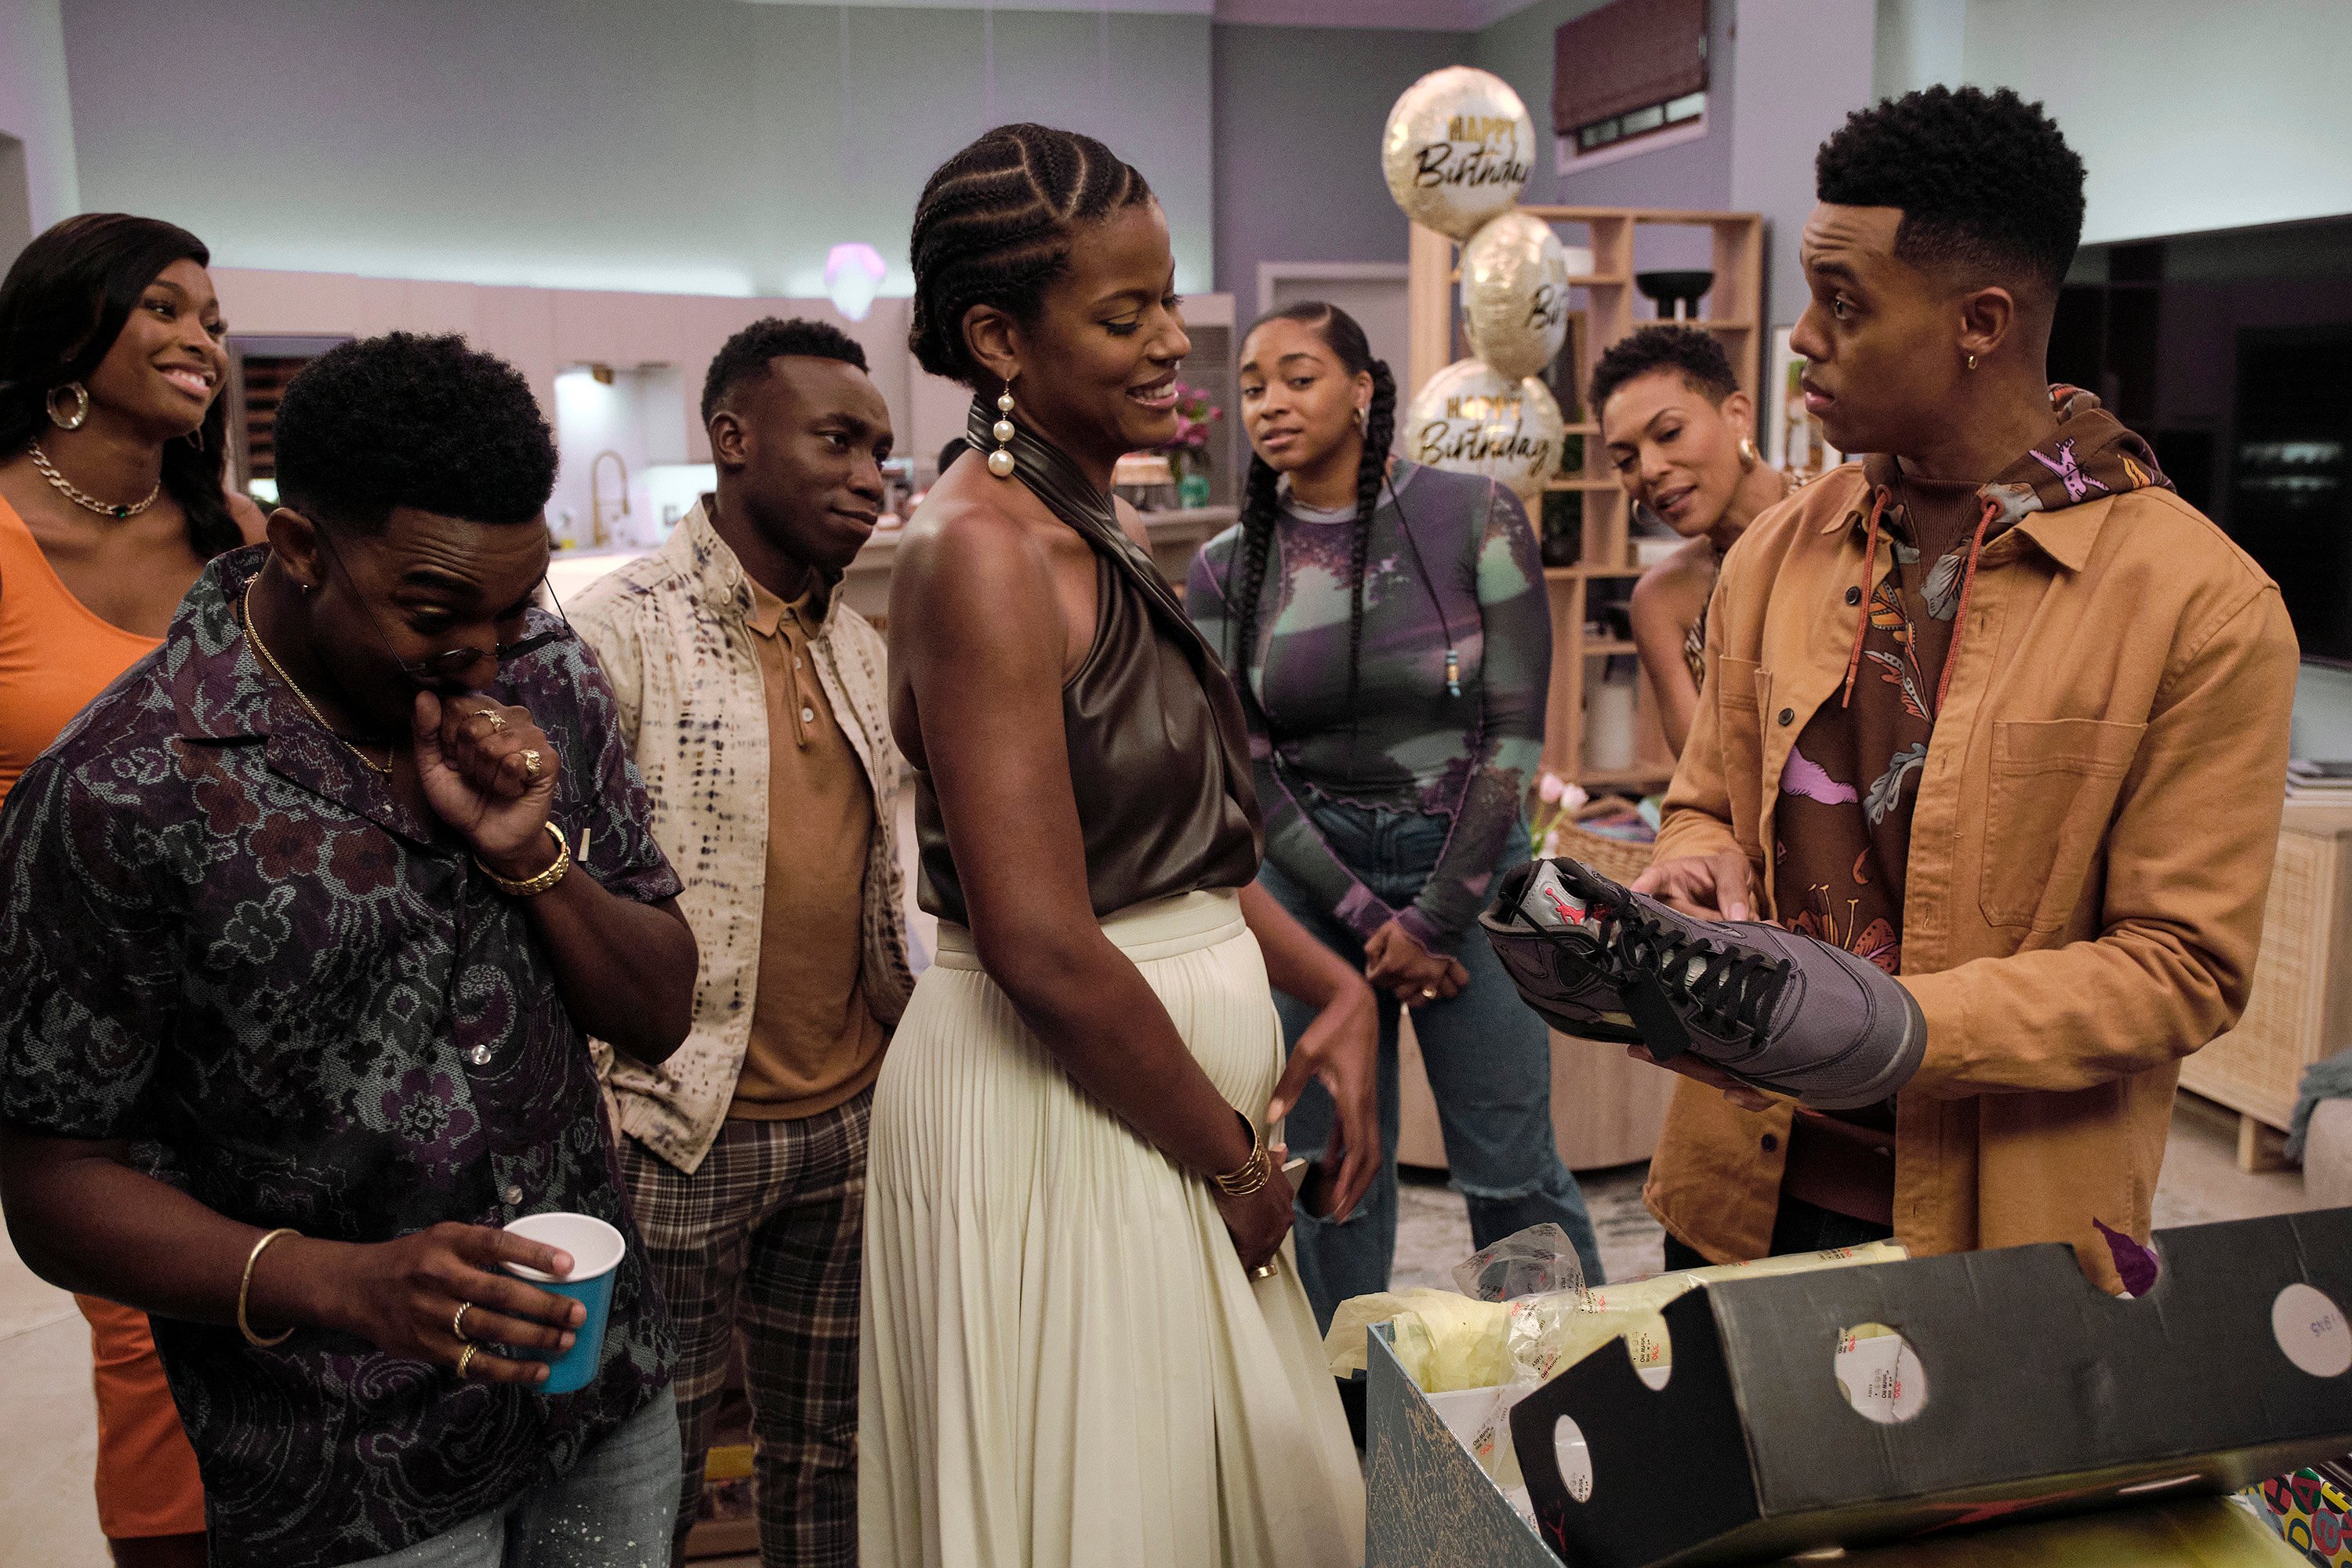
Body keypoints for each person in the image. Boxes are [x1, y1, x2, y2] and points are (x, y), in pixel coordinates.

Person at [0, 331, 701, 1568]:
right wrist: (343, 1283)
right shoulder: (122, 784)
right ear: (302, 550)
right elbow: (53, 1181)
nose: (485, 653)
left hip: (598, 1393)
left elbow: (657, 1011)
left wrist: (532, 861)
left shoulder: (549, 679)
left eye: (511, 604)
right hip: (341, 1465)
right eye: (434, 612)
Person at [1629, 85, 2297, 1288]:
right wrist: (1689, 860)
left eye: (1843, 304)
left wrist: (1900, 1031)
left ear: (1980, 320)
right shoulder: (1779, 553)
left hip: (2000, 1244)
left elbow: (2184, 968)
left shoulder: (2202, 605)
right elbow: (1706, 802)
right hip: (1734, 1197)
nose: (1799, 338)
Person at [861, 123, 1376, 1568]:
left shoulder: (1095, 513)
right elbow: (1037, 938)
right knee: (1129, 1520)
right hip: (1069, 1123)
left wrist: (1331, 990)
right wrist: (1227, 1162)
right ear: (995, 339)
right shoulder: (981, 553)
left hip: (1158, 1117)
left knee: (1247, 1511)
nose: (1172, 342)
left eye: (1169, 299)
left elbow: (1169, 857)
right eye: (1122, 314)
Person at [1189, 301, 1604, 1327]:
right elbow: (1245, 771)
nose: (1271, 403)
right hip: (1311, 889)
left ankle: (1571, 1390)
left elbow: (1513, 738)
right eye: (1252, 384)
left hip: (1479, 869)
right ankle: (1352, 1426)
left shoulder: (1477, 514)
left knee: (1513, 1171)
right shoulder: (1221, 567)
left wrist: (1431, 919)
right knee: (1330, 1169)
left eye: (1299, 376)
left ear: (1363, 389)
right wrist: (1373, 923)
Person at [572, 316, 912, 1568]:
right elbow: (548, 893)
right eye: (837, 440)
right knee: (641, 1470)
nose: (871, 476)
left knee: (833, 1455)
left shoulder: (863, 646)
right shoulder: (620, 637)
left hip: (850, 1119)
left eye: (880, 449)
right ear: (732, 439)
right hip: (673, 1125)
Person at [0, 211, 265, 1568]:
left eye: (212, 321)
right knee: (145, 1335)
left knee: (276, 1320)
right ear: (68, 332)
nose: (200, 341)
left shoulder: (242, 536)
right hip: (81, 1028)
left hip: (267, 1001)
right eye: (163, 308)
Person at [1595, 325, 1789, 758]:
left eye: (1668, 433)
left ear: (1737, 415)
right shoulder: (1662, 600)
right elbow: (1702, 779)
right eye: (1626, 460)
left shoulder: (1845, 519)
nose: (1648, 470)